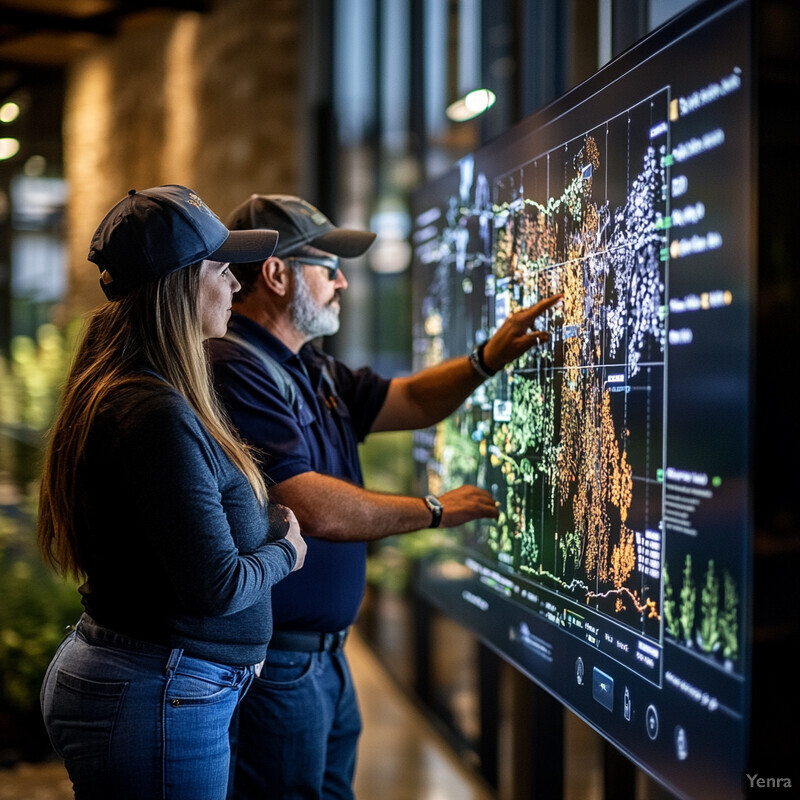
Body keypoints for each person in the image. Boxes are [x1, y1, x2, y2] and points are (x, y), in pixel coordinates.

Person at [207, 193, 562, 800]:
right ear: (276, 273)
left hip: (324, 663)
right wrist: (433, 510)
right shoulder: (236, 367)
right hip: (280, 669)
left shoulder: (310, 367)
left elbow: (414, 401)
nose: (342, 281)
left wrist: (485, 360)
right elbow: (307, 505)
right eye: (328, 266)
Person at [37, 184, 307, 800]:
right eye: (222, 269)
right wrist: (288, 550)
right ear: (182, 283)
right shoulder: (152, 411)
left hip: (163, 687)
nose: (238, 284)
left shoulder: (142, 391)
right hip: (158, 696)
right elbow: (214, 585)